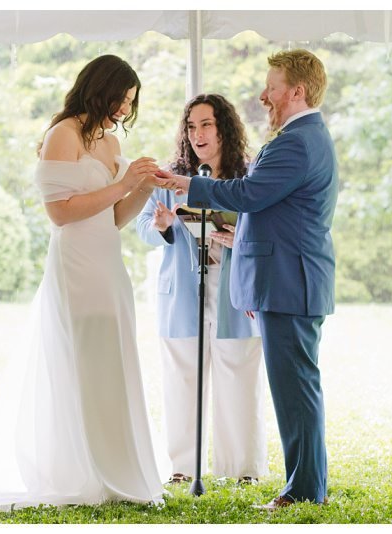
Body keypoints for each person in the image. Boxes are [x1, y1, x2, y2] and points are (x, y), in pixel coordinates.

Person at [0, 55, 166, 510]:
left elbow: (114, 219)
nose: (124, 110)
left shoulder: (110, 143)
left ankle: (117, 467)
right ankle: (80, 469)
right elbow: (61, 212)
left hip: (109, 264)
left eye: (131, 103)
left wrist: (144, 188)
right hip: (75, 265)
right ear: (98, 89)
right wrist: (123, 182)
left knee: (111, 359)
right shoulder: (63, 134)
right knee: (82, 359)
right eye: (120, 99)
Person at [155, 49, 337, 510]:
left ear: (296, 91)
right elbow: (275, 208)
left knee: (296, 391)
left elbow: (253, 193)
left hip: (289, 283)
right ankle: (307, 484)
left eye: (271, 87)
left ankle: (303, 491)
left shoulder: (297, 140)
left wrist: (186, 186)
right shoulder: (303, 137)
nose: (264, 96)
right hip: (285, 280)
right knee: (298, 388)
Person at [136, 94, 267, 486]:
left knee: (239, 378)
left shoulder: (248, 177)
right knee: (181, 381)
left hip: (235, 295)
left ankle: (241, 470)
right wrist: (160, 226)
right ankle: (182, 468)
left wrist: (237, 239)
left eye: (206, 124)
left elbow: (263, 226)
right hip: (182, 296)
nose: (197, 134)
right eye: (191, 127)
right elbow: (143, 227)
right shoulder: (168, 177)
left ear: (224, 127)